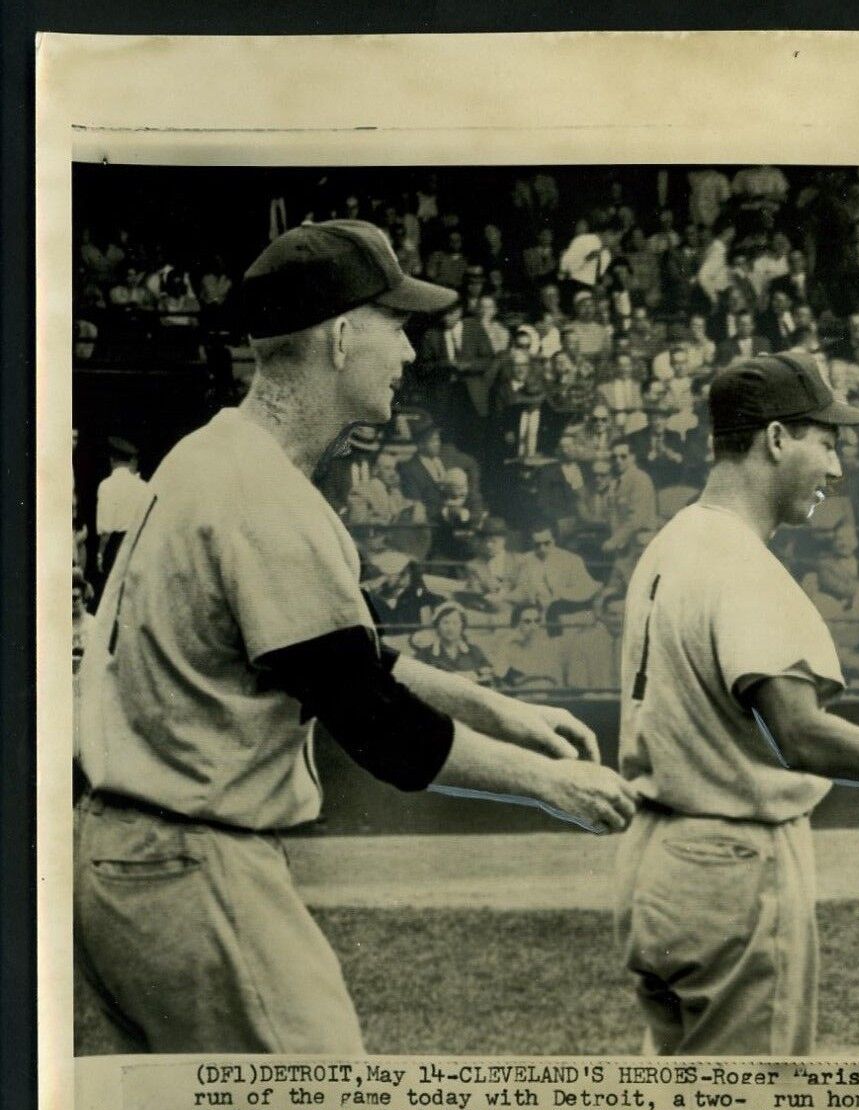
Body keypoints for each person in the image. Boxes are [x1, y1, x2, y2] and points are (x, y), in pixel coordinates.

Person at [75, 219, 636, 1055]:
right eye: (398, 326)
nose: (410, 354)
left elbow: (342, 657)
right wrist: (552, 783)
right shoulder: (262, 496)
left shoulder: (208, 457)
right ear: (341, 338)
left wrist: (496, 706)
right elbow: (379, 727)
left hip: (122, 857)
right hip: (191, 864)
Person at [613, 351, 859, 1056]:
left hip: (652, 862)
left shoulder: (670, 542)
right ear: (775, 439)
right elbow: (802, 736)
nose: (836, 469)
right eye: (826, 443)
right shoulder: (742, 566)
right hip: (732, 864)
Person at [92, 436, 154, 597]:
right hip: (138, 544)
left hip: (116, 545)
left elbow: (106, 528)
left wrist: (100, 554)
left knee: (112, 594)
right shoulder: (143, 486)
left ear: (112, 460)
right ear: (130, 461)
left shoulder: (107, 486)